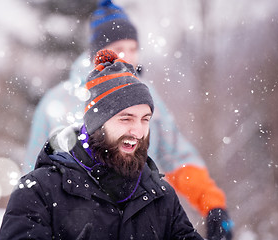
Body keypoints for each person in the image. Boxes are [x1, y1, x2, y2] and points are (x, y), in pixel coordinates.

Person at [24, 1, 233, 239]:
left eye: (134, 49)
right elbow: (32, 177)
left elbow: (176, 156)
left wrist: (212, 204)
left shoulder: (148, 98)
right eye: (119, 48)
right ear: (97, 53)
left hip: (139, 222)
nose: (129, 57)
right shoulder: (58, 102)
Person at [0, 49, 203, 239]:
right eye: (126, 119)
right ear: (97, 124)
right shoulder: (39, 190)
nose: (138, 131)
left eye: (145, 119)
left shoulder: (162, 197)